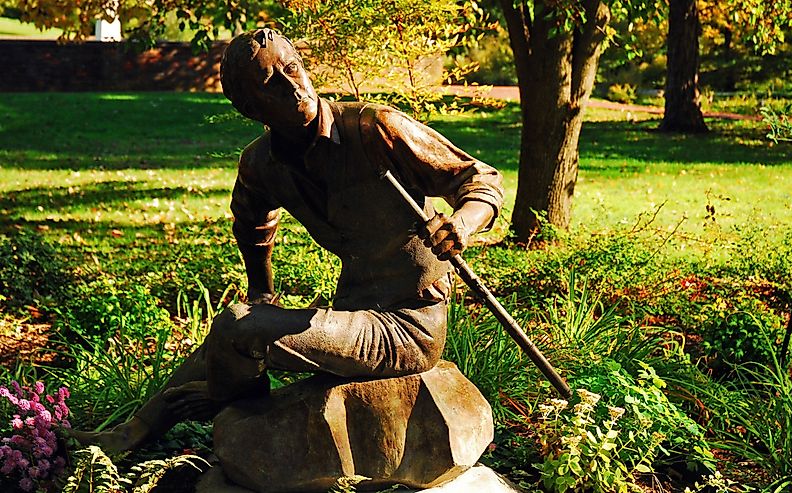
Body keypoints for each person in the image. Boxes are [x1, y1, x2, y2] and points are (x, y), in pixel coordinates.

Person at [74, 28, 503, 452]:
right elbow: (251, 224)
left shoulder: (375, 128)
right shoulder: (262, 163)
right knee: (242, 325)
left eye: (293, 68)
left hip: (406, 326)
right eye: (270, 84)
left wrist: (462, 224)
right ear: (249, 107)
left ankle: (228, 400)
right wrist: (262, 289)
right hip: (355, 310)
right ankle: (135, 430)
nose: (291, 86)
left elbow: (477, 177)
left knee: (237, 328)